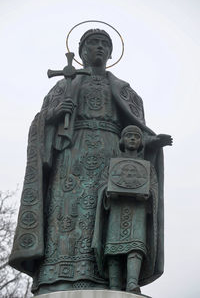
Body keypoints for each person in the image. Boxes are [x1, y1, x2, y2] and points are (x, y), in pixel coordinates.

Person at [9, 29, 172, 295]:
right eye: (93, 43)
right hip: (70, 157)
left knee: (113, 216)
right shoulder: (64, 84)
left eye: (104, 44)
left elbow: (133, 131)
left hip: (112, 159)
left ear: (111, 52)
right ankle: (57, 275)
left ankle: (114, 277)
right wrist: (54, 114)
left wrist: (151, 142)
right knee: (67, 215)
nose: (99, 47)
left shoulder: (124, 91)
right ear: (82, 50)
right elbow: (40, 123)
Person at [101, 125, 161, 294]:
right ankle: (113, 286)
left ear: (141, 141)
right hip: (117, 210)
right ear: (122, 140)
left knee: (135, 246)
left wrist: (148, 195)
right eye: (129, 136)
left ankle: (132, 283)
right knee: (113, 248)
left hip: (138, 211)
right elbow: (103, 185)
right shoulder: (113, 165)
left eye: (136, 136)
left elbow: (154, 188)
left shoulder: (147, 167)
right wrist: (108, 192)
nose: (133, 139)